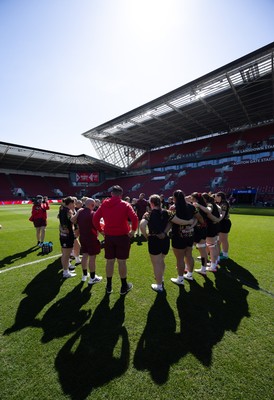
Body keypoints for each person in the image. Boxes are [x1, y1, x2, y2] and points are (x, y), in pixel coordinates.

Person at [140, 193, 195, 292]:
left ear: (151, 203)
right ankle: (161, 278)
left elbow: (142, 225)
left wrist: (146, 236)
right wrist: (189, 222)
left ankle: (159, 285)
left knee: (156, 263)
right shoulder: (168, 212)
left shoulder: (148, 214)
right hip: (165, 239)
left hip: (154, 239)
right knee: (161, 260)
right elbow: (178, 221)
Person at [93, 185, 138, 295]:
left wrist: (101, 230)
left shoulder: (104, 204)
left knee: (110, 261)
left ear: (112, 194)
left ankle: (109, 286)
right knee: (122, 262)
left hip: (109, 236)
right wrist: (133, 231)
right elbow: (135, 218)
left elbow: (95, 218)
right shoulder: (125, 204)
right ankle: (123, 286)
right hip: (122, 236)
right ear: (121, 195)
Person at [71, 198, 102, 285]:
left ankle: (85, 275)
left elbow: (72, 220)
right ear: (92, 205)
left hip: (83, 237)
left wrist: (77, 213)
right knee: (92, 257)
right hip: (91, 237)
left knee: (85, 255)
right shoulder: (93, 214)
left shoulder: (80, 212)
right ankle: (92, 278)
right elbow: (98, 227)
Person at [169, 190, 197, 285]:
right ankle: (189, 274)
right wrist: (192, 225)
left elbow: (170, 221)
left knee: (180, 258)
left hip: (178, 235)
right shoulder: (191, 207)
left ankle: (180, 279)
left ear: (174, 198)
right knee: (189, 255)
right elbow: (197, 218)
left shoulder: (173, 208)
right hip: (190, 234)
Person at [193, 193, 220, 272]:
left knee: (211, 247)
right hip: (213, 227)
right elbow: (219, 210)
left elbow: (208, 212)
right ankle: (213, 263)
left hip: (210, 227)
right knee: (213, 246)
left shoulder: (208, 205)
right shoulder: (213, 204)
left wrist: (216, 219)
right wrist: (217, 219)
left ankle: (213, 265)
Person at [58, 196, 77, 278]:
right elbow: (73, 220)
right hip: (68, 235)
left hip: (63, 234)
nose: (74, 205)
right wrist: (77, 214)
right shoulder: (68, 211)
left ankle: (66, 269)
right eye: (74, 203)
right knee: (66, 254)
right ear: (71, 203)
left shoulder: (62, 209)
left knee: (65, 254)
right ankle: (65, 272)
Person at [215, 191, 232, 259]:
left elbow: (223, 214)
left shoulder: (224, 203)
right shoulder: (221, 203)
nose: (215, 198)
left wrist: (217, 220)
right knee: (219, 240)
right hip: (222, 222)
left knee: (224, 240)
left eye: (216, 197)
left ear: (220, 197)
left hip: (224, 222)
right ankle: (222, 252)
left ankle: (225, 255)